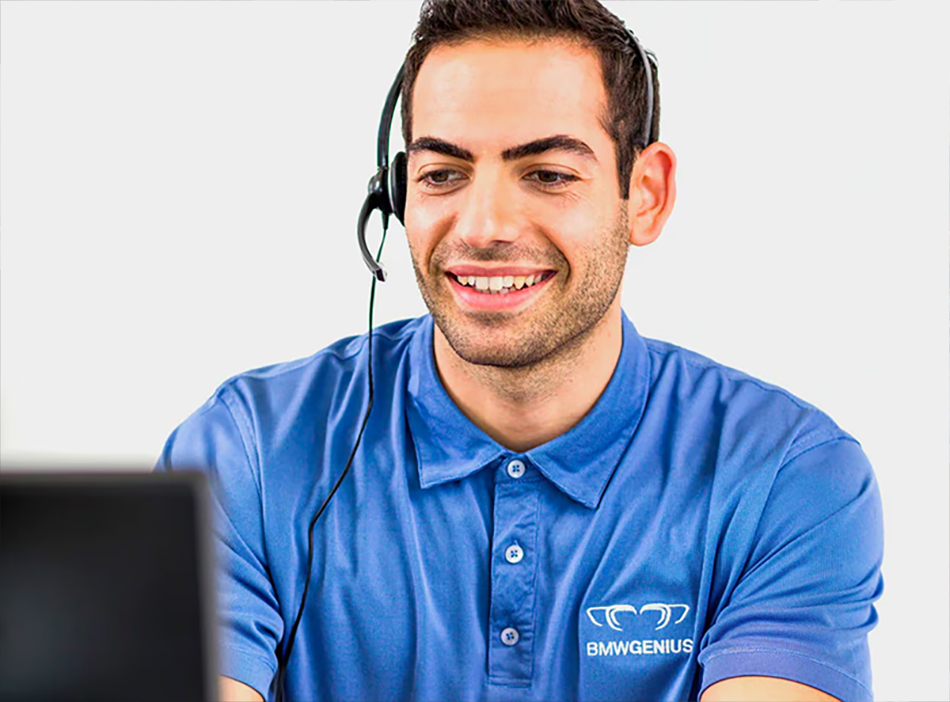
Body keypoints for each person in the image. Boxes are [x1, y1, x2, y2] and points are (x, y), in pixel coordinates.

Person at [157, 1, 883, 700]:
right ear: (396, 193)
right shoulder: (245, 452)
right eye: (442, 173)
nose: (484, 226)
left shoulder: (788, 477)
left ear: (647, 195)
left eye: (548, 175)